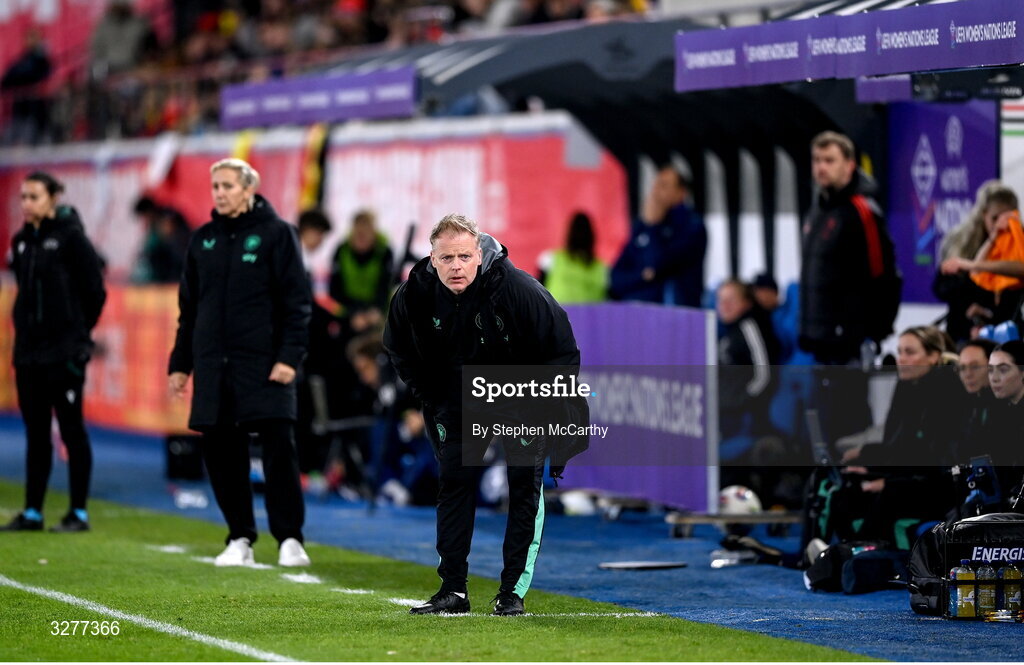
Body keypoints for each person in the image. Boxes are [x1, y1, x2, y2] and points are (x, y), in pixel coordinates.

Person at [384, 214, 582, 616]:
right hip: (458, 397)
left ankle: (512, 592)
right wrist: (432, 396)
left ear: (478, 255)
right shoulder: (415, 294)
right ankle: (453, 590)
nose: (456, 266)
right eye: (446, 258)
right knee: (454, 482)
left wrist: (545, 401)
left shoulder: (518, 289)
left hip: (519, 393)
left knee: (523, 485)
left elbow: (563, 350)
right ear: (432, 259)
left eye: (463, 256)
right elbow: (398, 348)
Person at [168, 158, 312, 568]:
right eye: (216, 186)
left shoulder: (278, 234)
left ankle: (289, 538)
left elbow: (297, 304)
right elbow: (188, 310)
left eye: (228, 186)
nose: (220, 193)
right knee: (219, 451)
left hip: (266, 364)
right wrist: (180, 364)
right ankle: (240, 537)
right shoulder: (203, 240)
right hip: (215, 366)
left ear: (250, 189)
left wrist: (289, 357)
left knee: (279, 450)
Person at [1, 172, 106, 532]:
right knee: (36, 432)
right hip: (29, 354)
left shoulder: (72, 239)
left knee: (72, 430)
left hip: (65, 354)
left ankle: (78, 512)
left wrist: (77, 335)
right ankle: (32, 511)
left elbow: (96, 291)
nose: (26, 203)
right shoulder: (20, 242)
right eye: (24, 197)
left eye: (34, 196)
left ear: (53, 198)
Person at [799, 131, 901, 443]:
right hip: (822, 341)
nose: (821, 168)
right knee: (822, 425)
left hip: (850, 341)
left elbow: (882, 275)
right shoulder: (819, 209)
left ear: (849, 165)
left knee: (850, 421)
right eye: (817, 160)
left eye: (829, 160)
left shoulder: (862, 212)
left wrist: (874, 331)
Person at [831, 327, 962, 543]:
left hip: (935, 486)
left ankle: (863, 555)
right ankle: (842, 553)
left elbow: (932, 459)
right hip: (907, 477)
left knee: (886, 496)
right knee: (845, 490)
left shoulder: (946, 394)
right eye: (900, 352)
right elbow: (898, 446)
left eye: (910, 352)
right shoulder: (906, 387)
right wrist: (869, 463)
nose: (901, 359)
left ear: (933, 357)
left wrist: (889, 482)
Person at [609, 166, 707, 307]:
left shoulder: (692, 226)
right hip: (636, 311)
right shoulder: (642, 226)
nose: (655, 191)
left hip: (677, 315)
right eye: (655, 185)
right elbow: (616, 278)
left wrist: (653, 227)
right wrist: (644, 276)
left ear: (681, 193)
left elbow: (658, 264)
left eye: (664, 185)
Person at [936, 182, 1018, 341]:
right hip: (962, 332)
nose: (1002, 224)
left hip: (1005, 334)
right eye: (995, 218)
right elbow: (942, 287)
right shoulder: (959, 243)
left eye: (1008, 217)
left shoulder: (1018, 244)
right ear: (983, 215)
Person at [329, 208, 394, 335]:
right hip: (348, 312)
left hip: (375, 312)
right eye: (358, 234)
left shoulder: (384, 252)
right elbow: (334, 289)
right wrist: (352, 314)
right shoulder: (341, 250)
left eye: (366, 233)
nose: (362, 238)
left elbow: (386, 286)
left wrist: (375, 311)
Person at [537, 211, 608, 304]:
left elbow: (536, 294)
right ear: (592, 237)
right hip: (590, 317)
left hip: (556, 316)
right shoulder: (603, 269)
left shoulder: (550, 259)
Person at [131, 196, 191, 283]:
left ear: (148, 212)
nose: (144, 220)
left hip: (180, 254)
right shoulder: (154, 224)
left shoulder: (164, 216)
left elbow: (168, 234)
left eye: (144, 217)